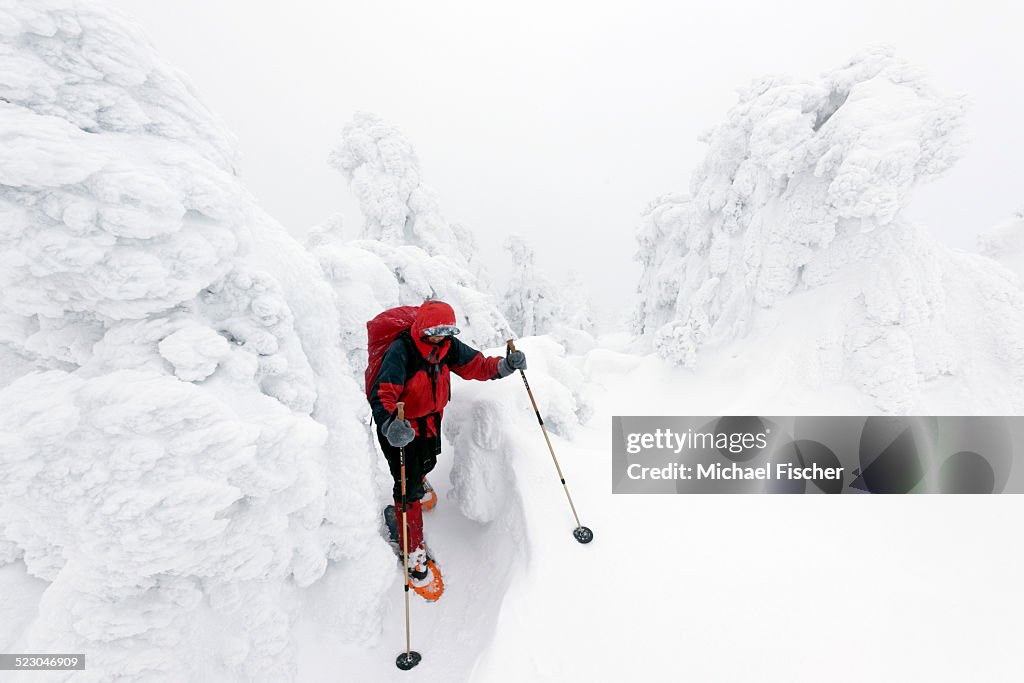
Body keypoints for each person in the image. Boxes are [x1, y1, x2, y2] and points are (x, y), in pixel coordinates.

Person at [368, 300, 526, 601]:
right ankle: (413, 553)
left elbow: (475, 365)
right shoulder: (401, 351)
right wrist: (390, 425)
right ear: (422, 329)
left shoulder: (447, 346)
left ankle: (419, 482)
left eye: (445, 332)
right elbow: (382, 392)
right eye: (434, 332)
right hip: (400, 427)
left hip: (429, 419)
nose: (440, 337)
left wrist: (503, 367)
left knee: (428, 461)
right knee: (407, 486)